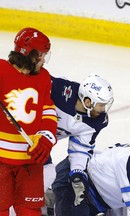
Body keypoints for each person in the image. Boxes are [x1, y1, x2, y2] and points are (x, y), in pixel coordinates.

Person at [0, 27, 57, 215]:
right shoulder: (1, 70)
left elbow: (48, 112)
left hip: (30, 161)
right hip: (1, 161)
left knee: (30, 212)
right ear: (29, 54)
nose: (43, 59)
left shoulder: (43, 77)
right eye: (41, 55)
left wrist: (46, 137)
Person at [42, 73, 114, 215]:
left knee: (47, 174)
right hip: (19, 134)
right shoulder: (59, 90)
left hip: (41, 145)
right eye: (101, 105)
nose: (103, 110)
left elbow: (81, 148)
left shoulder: (97, 121)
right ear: (87, 101)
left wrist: (78, 172)